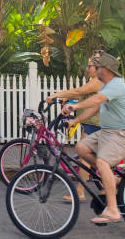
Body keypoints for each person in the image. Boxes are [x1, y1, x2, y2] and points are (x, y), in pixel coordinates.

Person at [61, 51, 125, 225]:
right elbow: (95, 108)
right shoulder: (105, 85)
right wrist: (75, 120)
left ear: (106, 69)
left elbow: (96, 99)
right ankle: (109, 177)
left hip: (124, 132)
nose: (93, 69)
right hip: (108, 131)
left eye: (96, 66)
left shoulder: (116, 85)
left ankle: (113, 210)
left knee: (103, 161)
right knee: (81, 148)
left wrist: (75, 107)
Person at [46, 53, 103, 201]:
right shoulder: (94, 81)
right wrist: (68, 98)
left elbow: (79, 91)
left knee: (85, 157)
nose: (88, 68)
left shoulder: (97, 81)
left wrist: (56, 95)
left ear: (97, 68)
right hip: (90, 123)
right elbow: (82, 95)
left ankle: (81, 192)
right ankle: (102, 184)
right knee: (89, 158)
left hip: (95, 124)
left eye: (90, 66)